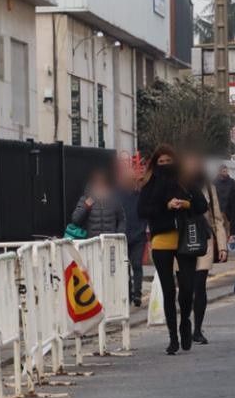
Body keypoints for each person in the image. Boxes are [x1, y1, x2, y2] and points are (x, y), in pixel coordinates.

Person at [138, 144, 209, 355]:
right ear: (155, 164)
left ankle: (185, 321)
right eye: (161, 162)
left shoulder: (185, 181)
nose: (165, 165)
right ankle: (172, 337)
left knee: (187, 288)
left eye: (169, 161)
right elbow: (142, 210)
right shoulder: (149, 184)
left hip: (186, 239)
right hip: (161, 239)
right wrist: (165, 206)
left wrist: (185, 205)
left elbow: (202, 205)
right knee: (168, 290)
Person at [184, 154, 230, 345]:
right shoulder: (176, 186)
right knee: (185, 288)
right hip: (183, 239)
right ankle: (184, 326)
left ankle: (197, 329)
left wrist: (223, 245)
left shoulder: (209, 188)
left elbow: (217, 218)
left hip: (204, 239)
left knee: (200, 284)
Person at [117, 159, 148, 306]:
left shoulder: (141, 194)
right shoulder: (117, 195)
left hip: (139, 236)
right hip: (122, 236)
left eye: (131, 179)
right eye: (127, 179)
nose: (129, 181)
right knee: (124, 267)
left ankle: (137, 294)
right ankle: (128, 293)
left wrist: (146, 230)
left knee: (136, 264)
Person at [70, 167, 127, 239]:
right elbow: (75, 220)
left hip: (110, 242)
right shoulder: (87, 198)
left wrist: (118, 236)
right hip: (92, 242)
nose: (99, 185)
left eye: (101, 182)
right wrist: (87, 205)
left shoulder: (113, 199)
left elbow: (122, 219)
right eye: (96, 182)